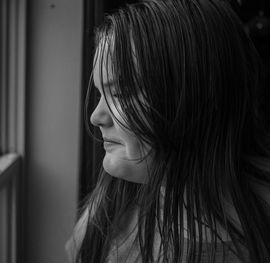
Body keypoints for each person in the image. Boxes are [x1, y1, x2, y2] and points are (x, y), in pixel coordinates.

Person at [66, 0, 270, 262]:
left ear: (198, 97)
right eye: (100, 93)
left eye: (119, 93)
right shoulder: (108, 213)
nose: (96, 117)